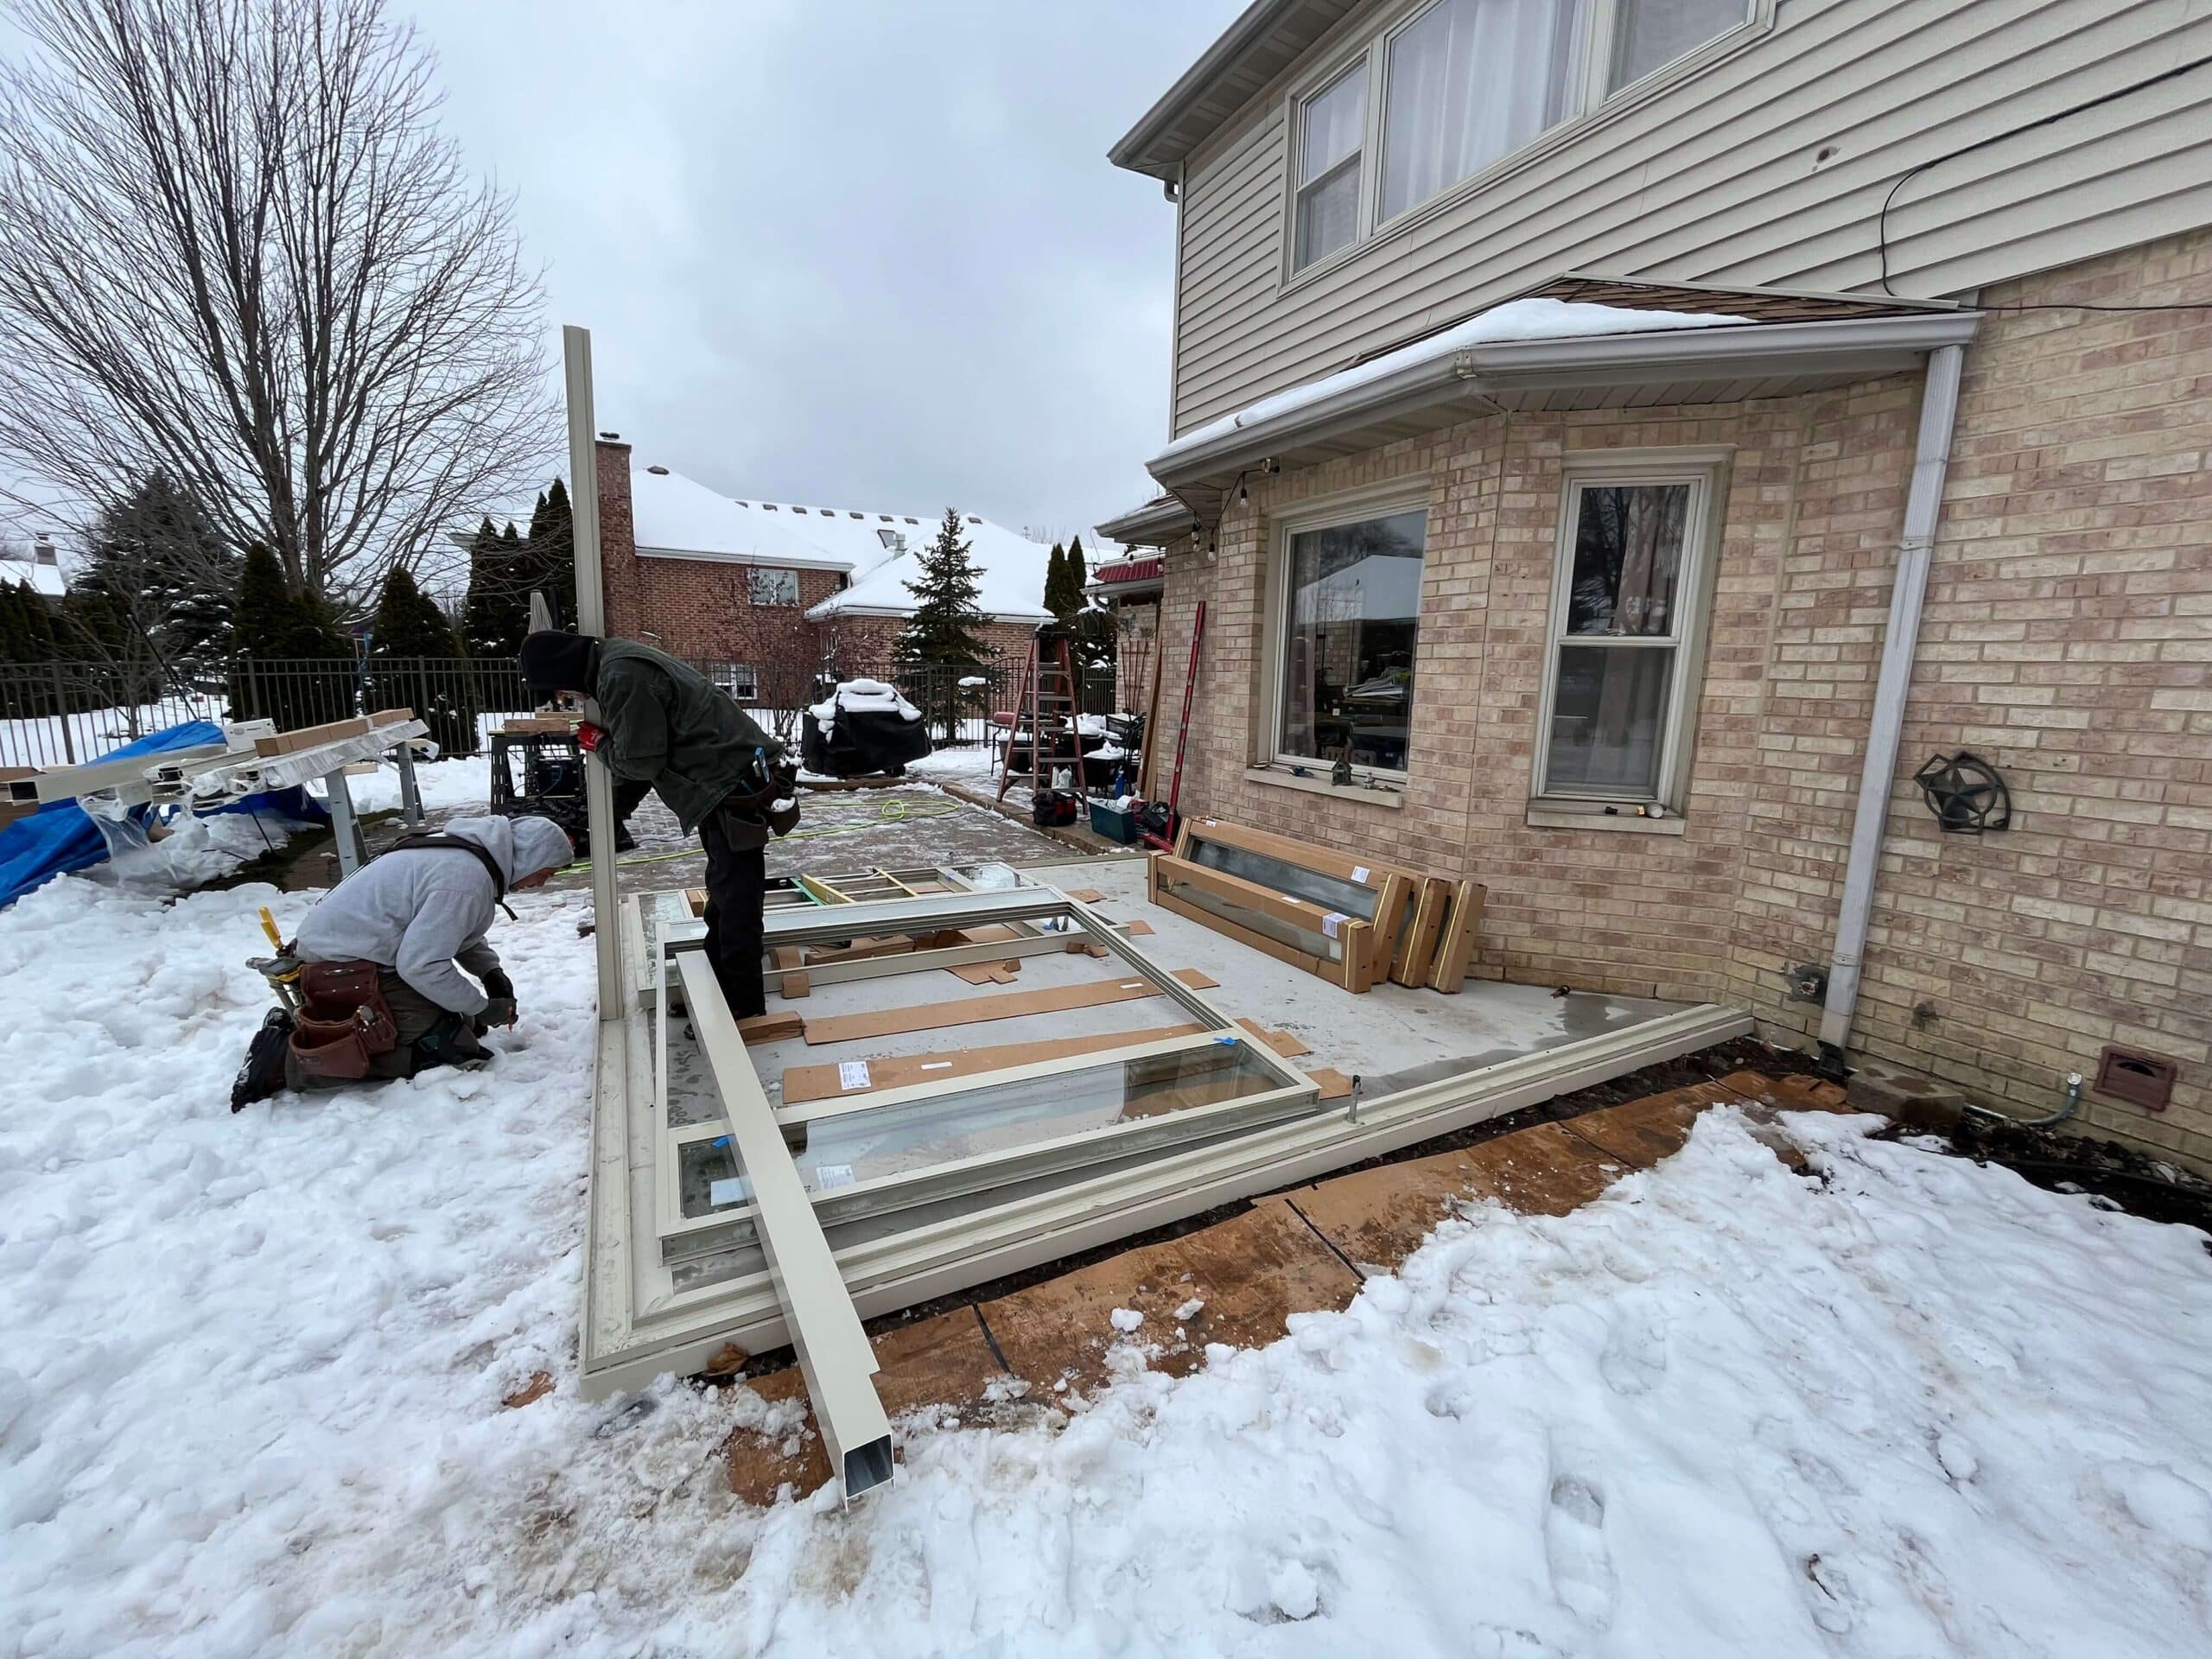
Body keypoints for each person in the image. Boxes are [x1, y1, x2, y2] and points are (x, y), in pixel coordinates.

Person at [517, 631, 797, 1018]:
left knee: (737, 900)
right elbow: (640, 758)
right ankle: (721, 987)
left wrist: (598, 744)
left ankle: (741, 1005)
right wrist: (606, 817)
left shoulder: (620, 676)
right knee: (726, 891)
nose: (571, 700)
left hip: (731, 785)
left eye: (564, 693)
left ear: (563, 674)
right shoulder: (614, 665)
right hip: (723, 782)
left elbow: (641, 761)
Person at [229, 814, 575, 1107]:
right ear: (528, 858)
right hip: (344, 967)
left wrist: (489, 971)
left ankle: (319, 1022)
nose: (542, 884)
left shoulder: (466, 859)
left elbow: (450, 930)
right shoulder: (465, 878)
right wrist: (480, 1007)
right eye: (545, 873)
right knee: (446, 1049)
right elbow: (421, 965)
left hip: (355, 958)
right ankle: (286, 1061)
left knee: (463, 1025)